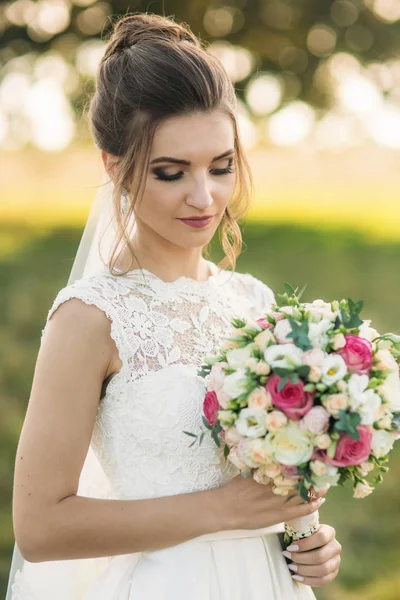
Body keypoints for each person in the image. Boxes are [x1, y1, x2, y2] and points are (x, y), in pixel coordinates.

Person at [6, 12, 342, 599]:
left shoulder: (254, 301)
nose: (203, 196)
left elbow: (274, 479)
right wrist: (222, 510)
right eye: (170, 172)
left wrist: (307, 542)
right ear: (116, 168)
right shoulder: (90, 318)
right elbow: (39, 527)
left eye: (221, 166)